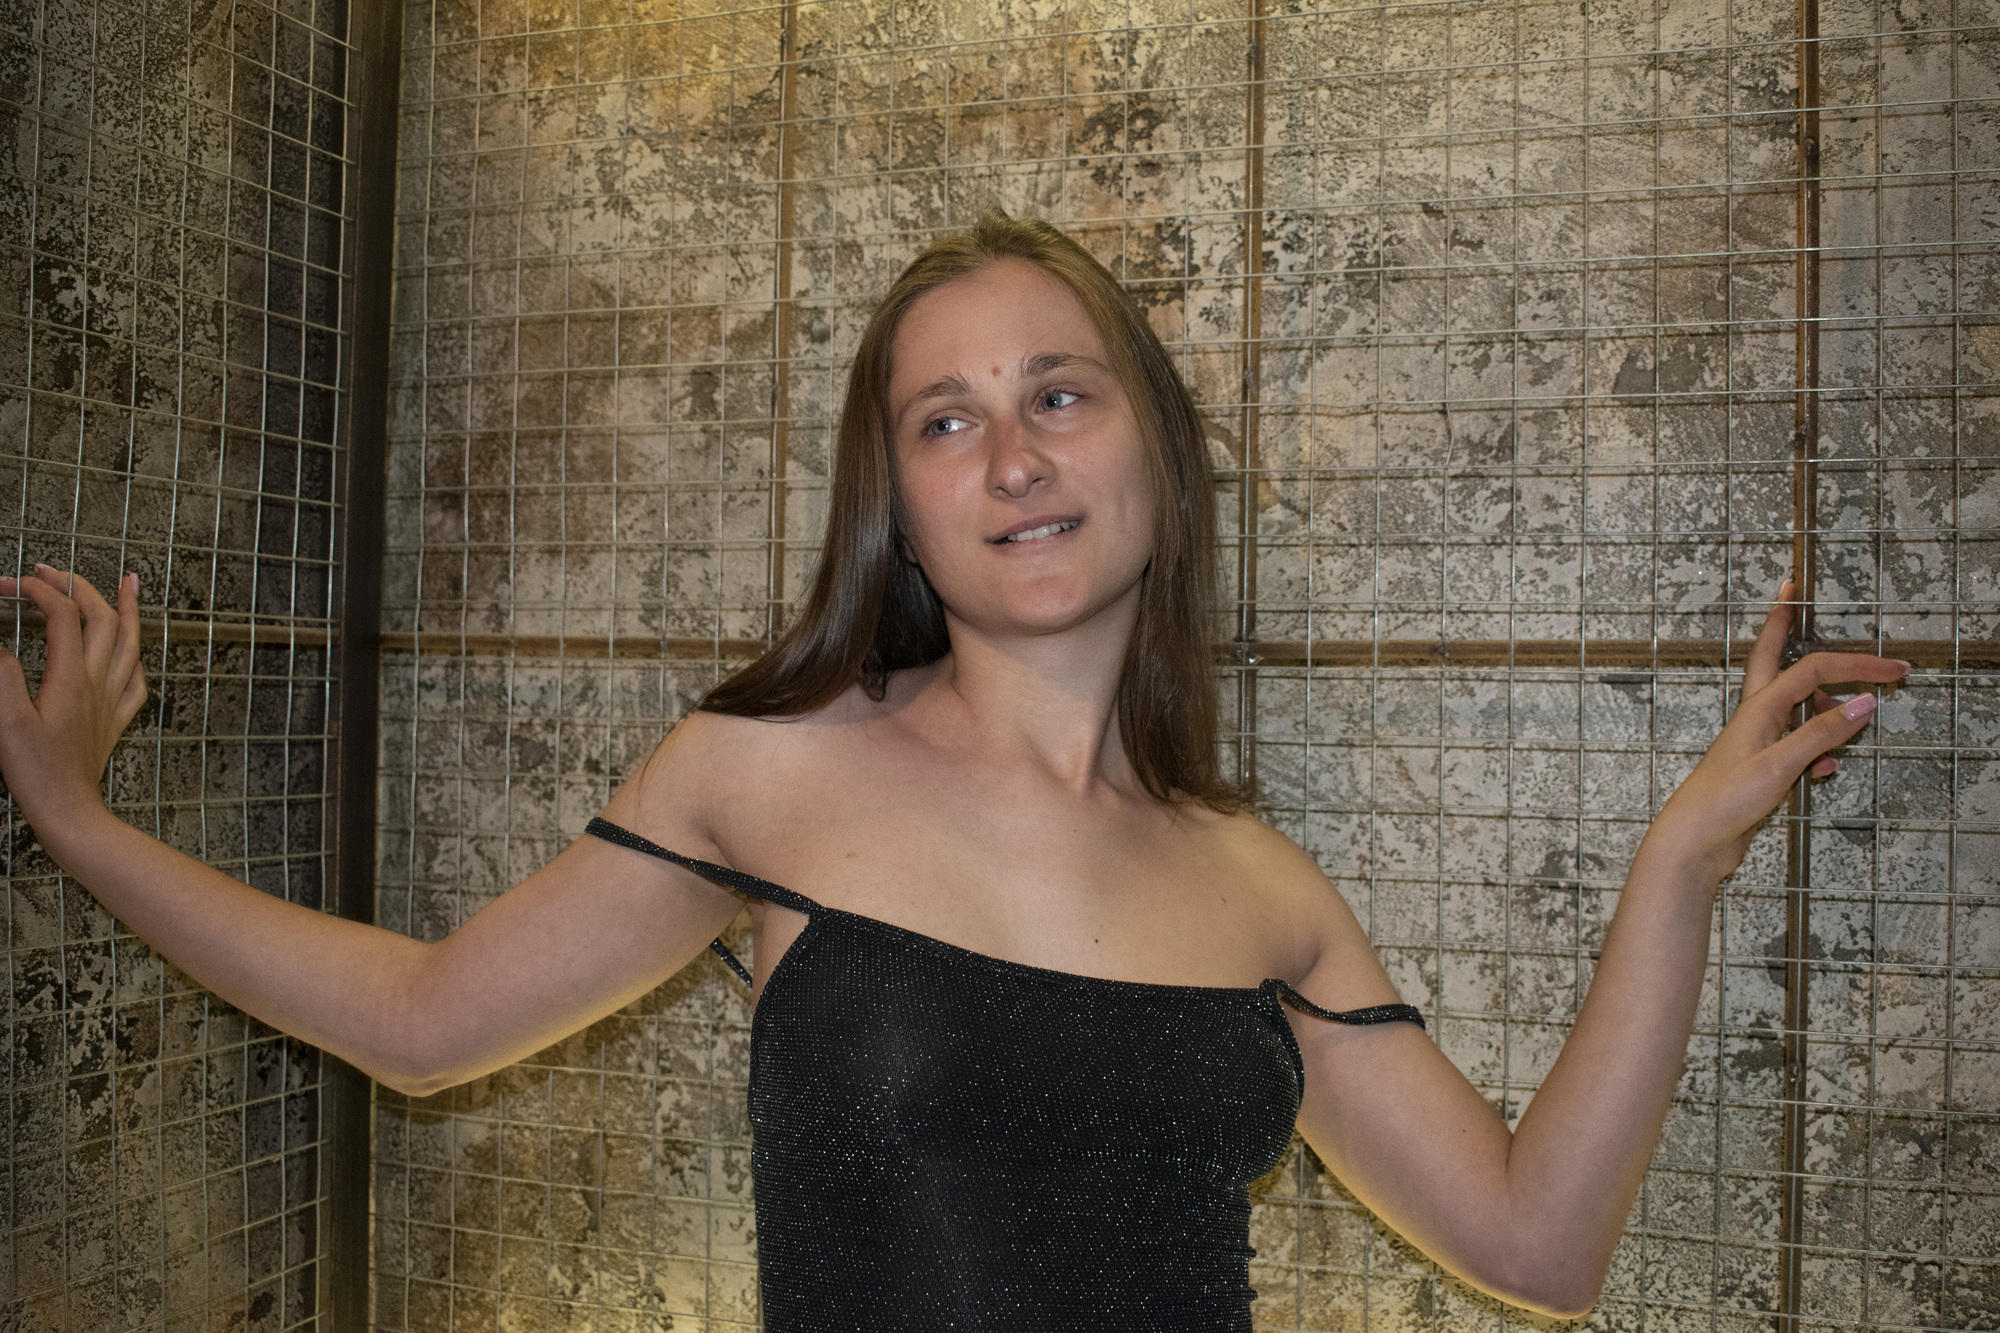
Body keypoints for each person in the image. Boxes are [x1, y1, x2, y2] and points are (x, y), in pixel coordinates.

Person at [0, 211, 1907, 1329]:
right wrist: (80, 820)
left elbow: (1537, 1242)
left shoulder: (1261, 888)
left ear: (1152, 454)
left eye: (1059, 393)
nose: (1013, 456)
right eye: (946, 419)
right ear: (898, 505)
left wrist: (1679, 860)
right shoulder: (761, 780)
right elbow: (425, 1023)